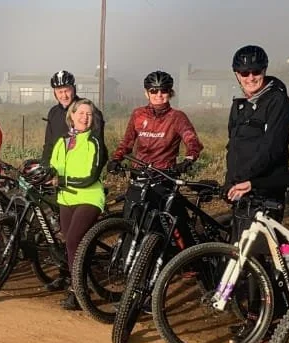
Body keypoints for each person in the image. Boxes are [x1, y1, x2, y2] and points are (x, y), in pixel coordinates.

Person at [109, 71, 204, 222]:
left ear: (170, 93)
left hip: (164, 177)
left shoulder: (177, 117)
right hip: (139, 175)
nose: (159, 94)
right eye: (154, 90)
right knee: (131, 221)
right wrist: (116, 159)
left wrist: (188, 159)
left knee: (170, 224)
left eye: (164, 90)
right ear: (146, 93)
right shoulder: (138, 114)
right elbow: (127, 142)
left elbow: (192, 141)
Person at [48, 98, 107, 310]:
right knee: (71, 241)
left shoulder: (95, 142)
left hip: (89, 197)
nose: (85, 117)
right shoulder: (62, 141)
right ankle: (83, 277)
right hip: (66, 198)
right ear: (71, 116)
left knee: (73, 240)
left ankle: (78, 289)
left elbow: (91, 177)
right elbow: (53, 167)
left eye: (89, 114)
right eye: (81, 113)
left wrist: (62, 181)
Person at [225, 45, 289, 208]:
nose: (250, 78)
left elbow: (272, 147)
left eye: (256, 71)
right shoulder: (239, 105)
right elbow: (233, 146)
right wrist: (229, 181)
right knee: (237, 234)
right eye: (244, 73)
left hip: (265, 191)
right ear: (237, 75)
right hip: (240, 190)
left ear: (264, 71)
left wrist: (245, 178)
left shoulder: (278, 101)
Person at [42, 70, 104, 166]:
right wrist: (44, 165)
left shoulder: (87, 110)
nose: (64, 96)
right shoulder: (53, 113)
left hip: (81, 169)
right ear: (54, 93)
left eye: (67, 91)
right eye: (60, 92)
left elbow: (98, 145)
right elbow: (49, 144)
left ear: (74, 89)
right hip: (57, 169)